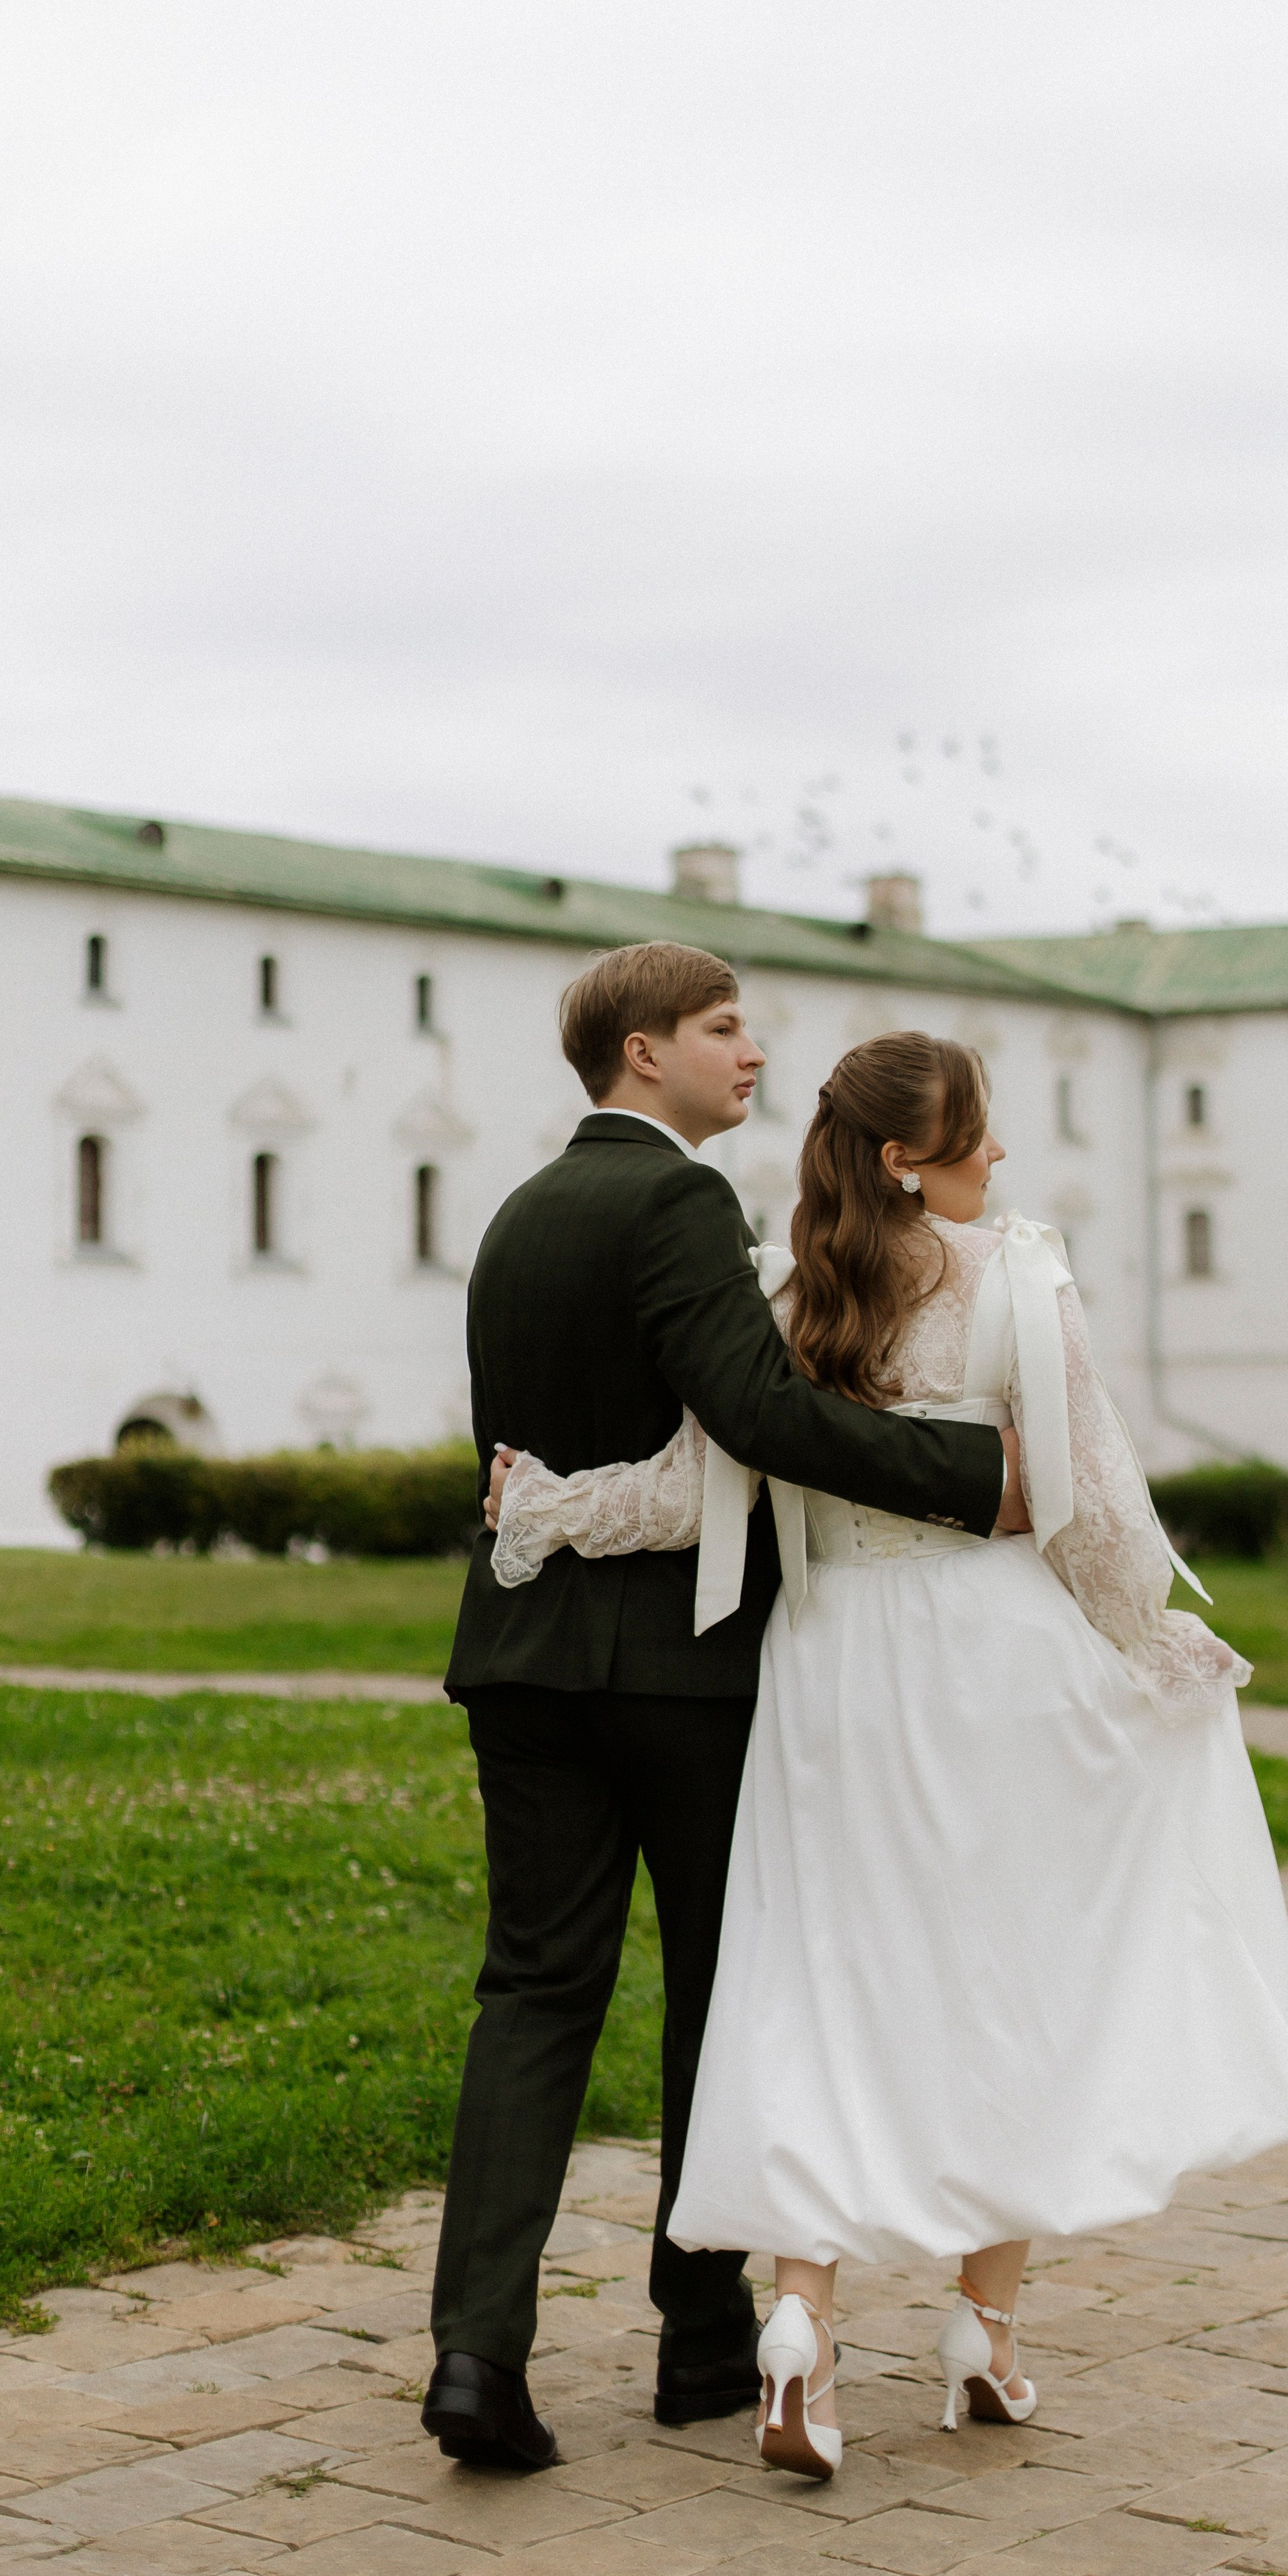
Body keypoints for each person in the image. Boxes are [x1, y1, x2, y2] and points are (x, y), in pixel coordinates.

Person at [482, 1029, 1288, 2481]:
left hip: (831, 1672)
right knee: (1015, 1985)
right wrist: (1152, 1643)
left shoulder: (783, 1295)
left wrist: (546, 1505)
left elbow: (689, 1494)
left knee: (827, 1985)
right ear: (905, 1158)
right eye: (974, 1130)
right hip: (995, 1660)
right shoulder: (1018, 1274)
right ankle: (980, 2330)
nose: (996, 1152)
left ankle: (799, 2325)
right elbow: (1093, 1503)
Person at [421, 953, 1030, 2472]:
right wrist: (973, 1478)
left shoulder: (513, 1216)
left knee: (531, 1994)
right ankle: (697, 2336)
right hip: (680, 1673)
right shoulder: (682, 1201)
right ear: (644, 1053)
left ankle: (476, 2351)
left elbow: (513, 1449)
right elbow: (757, 1416)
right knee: (719, 1987)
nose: (752, 1053)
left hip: (520, 1654)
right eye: (721, 1029)